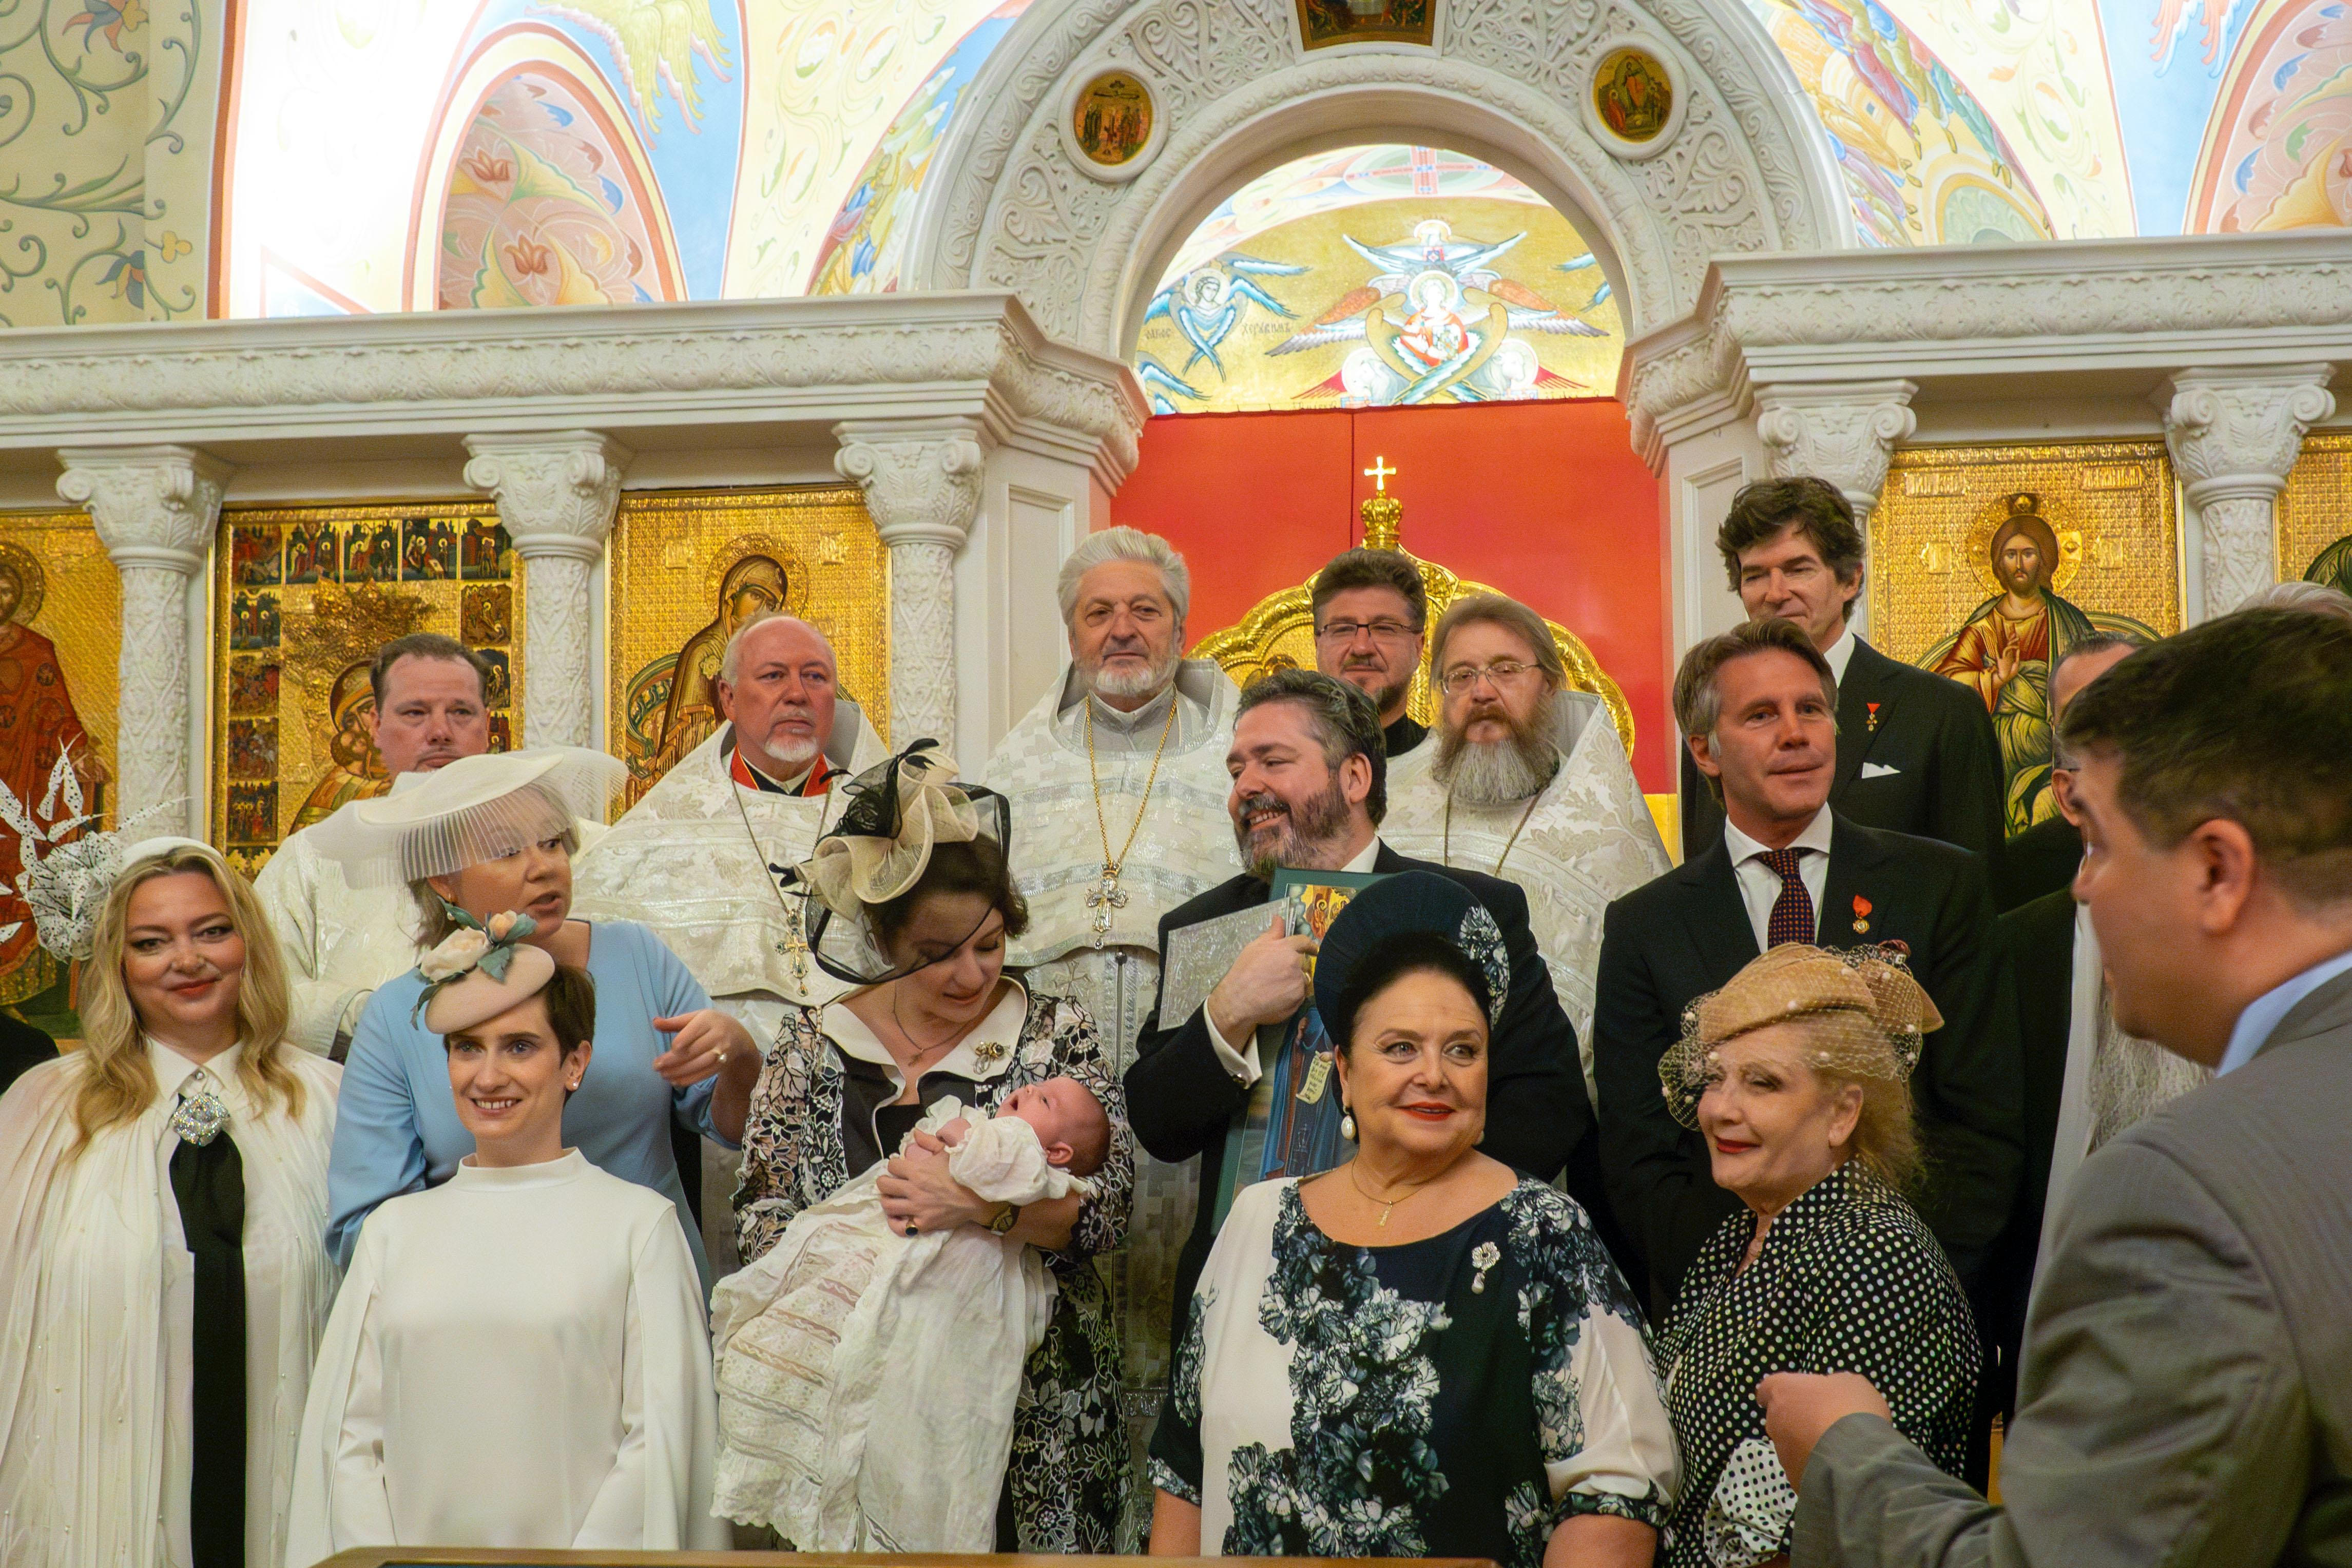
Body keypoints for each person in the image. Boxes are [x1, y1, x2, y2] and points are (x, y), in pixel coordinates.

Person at [1760, 608, 2352, 1567]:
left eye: (2103, 846)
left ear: (2216, 870)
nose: (2081, 887)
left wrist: (1844, 1452)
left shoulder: (2184, 1192)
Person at [1148, 872, 1677, 1566]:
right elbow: (1182, 1475)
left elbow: (1616, 1495)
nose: (1434, 1073)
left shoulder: (1546, 1235)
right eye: (1400, 1047)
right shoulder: (1256, 1219)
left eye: (1463, 1049)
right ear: (1343, 1071)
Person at [732, 742, 1138, 1552]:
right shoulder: (813, 1043)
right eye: (937, 953)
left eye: (988, 944)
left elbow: (1111, 1206)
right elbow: (761, 1213)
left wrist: (981, 1207)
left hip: (1034, 1424)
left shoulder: (1053, 1032)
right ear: (886, 940)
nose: (970, 974)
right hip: (856, 1398)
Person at [1127, 668, 1594, 1335]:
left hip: (1439, 1281)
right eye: (1236, 769)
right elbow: (1157, 1122)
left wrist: (1416, 1208)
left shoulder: (1466, 909)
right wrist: (1228, 1010)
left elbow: (1549, 1103)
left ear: (1353, 777)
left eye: (1272, 761)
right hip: (1245, 1298)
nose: (1244, 787)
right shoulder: (1205, 926)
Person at [1594, 617, 2019, 1317]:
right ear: (1703, 749)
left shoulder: (1939, 887)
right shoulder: (1645, 925)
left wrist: (1893, 1287)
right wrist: (1750, 1299)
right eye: (1761, 715)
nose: (1795, 734)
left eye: (1811, 709)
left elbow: (1982, 1125)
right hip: (1723, 1313)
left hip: (1907, 1303)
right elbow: (1641, 1158)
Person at [286, 921, 725, 1554]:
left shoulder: (639, 1228)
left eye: (519, 1047)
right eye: (467, 1048)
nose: (488, 1077)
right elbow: (348, 1442)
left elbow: (659, 1444)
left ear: (574, 1062)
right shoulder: (392, 1234)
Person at [979, 526, 1240, 1533]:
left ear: (1181, 627)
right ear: (1071, 633)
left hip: (1196, 1101)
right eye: (1099, 612)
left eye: (1144, 610)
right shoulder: (1008, 771)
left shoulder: (1240, 759)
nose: (1122, 630)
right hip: (1049, 1108)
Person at [0, 837, 341, 1568]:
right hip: (95, 1494)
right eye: (151, 942)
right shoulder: (43, 1108)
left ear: (250, 943)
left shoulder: (332, 1103)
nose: (187, 960)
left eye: (211, 931)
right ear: (117, 963)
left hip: (288, 1489)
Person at [314, 746, 757, 1289]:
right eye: (506, 850)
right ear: (444, 880)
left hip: (648, 1286)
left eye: (552, 842)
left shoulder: (637, 956)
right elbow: (364, 1230)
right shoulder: (396, 1016)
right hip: (480, 1299)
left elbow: (737, 1130)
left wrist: (740, 1056)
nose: (543, 866)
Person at [1654, 944, 1977, 1567]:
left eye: (1762, 1083)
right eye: (1715, 1078)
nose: (1720, 1108)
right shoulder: (1741, 1235)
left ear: (1842, 1113)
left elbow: (1831, 1518)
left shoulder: (1873, 1256)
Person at [710, 1075, 1112, 1548]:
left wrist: (959, 1137)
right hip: (905, 1250)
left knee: (905, 1395)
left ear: (1059, 1152)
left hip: (952, 1281)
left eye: (1043, 1100)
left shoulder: (1023, 1149)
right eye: (1035, 1087)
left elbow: (981, 1161)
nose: (1027, 1091)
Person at [256, 633, 595, 1059]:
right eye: (415, 713)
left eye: (461, 712)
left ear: (488, 725)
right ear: (376, 725)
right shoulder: (313, 857)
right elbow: (260, 988)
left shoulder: (572, 846)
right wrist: (375, 1014)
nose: (439, 733)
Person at [1382, 592, 1670, 1083]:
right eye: (1461, 676)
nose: (1482, 692)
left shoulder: (1610, 833)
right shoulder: (1394, 811)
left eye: (1506, 670)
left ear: (1551, 687)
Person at [572, 611, 888, 1048]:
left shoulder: (884, 820)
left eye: (815, 677)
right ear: (729, 697)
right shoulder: (665, 823)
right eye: (774, 676)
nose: (797, 694)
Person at [1678, 478, 2002, 867]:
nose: (1775, 593)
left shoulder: (1942, 710)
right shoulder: (1716, 717)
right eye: (1756, 575)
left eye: (1798, 569)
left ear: (1850, 580)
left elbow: (1977, 884)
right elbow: (1705, 873)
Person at [1992, 634, 2146, 911]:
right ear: (2067, 794)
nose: (2108, 729)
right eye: (2083, 716)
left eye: (2127, 704)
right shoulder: (2011, 890)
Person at [1310, 547, 1431, 757]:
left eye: (1384, 629)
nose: (1361, 647)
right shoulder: (1272, 764)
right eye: (1343, 629)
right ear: (1317, 645)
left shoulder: (1451, 769)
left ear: (1418, 647)